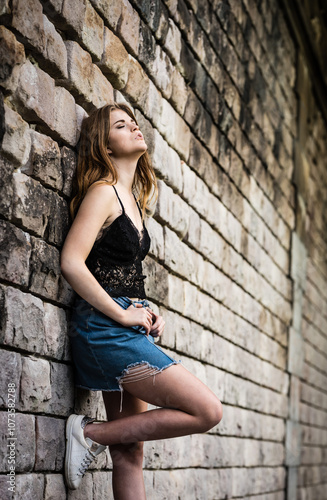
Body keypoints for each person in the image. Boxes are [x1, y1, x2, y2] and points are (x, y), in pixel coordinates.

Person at [60, 102, 223, 499]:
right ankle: (88, 433)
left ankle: (94, 435)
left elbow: (121, 270)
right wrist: (122, 311)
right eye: (121, 125)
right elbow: (72, 262)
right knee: (207, 410)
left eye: (133, 121)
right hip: (103, 329)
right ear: (106, 146)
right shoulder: (103, 192)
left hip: (125, 328)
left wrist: (148, 310)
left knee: (130, 452)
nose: (134, 126)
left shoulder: (130, 197)